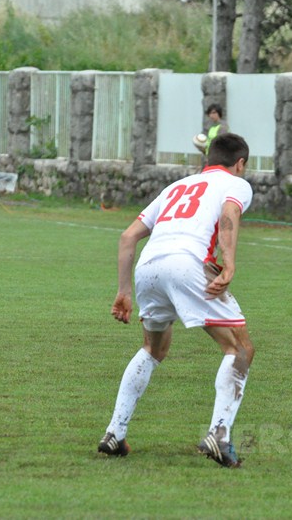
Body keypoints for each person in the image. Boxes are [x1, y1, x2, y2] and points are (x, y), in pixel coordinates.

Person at [98, 133, 254, 468]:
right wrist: (229, 263)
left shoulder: (176, 186)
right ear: (240, 163)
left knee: (152, 349)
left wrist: (124, 291)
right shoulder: (236, 184)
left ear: (207, 159)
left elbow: (128, 237)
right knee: (240, 349)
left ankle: (114, 433)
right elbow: (229, 213)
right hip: (187, 264)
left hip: (148, 267)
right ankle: (219, 435)